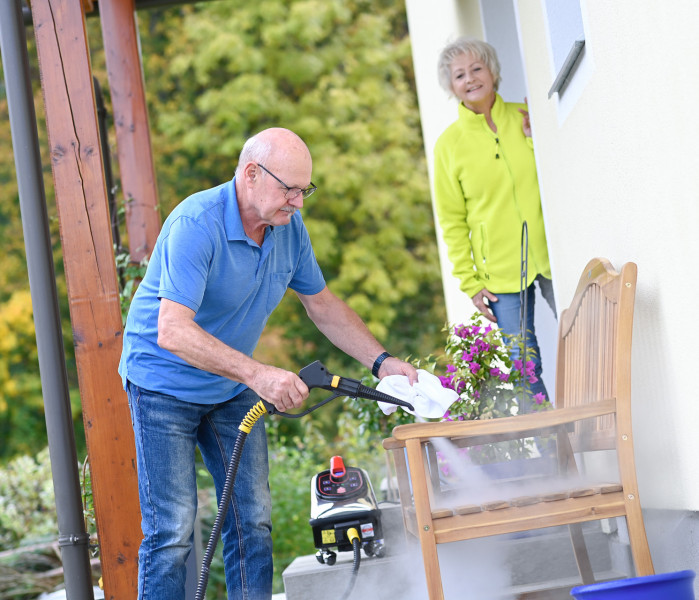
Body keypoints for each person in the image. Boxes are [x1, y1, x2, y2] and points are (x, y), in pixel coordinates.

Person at [118, 127, 417, 600]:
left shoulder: (287, 230)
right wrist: (258, 374)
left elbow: (322, 306)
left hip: (229, 386)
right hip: (162, 383)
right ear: (251, 173)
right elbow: (172, 330)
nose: (298, 202)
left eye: (305, 190)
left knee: (251, 519)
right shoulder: (197, 224)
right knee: (172, 531)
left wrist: (382, 361)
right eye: (290, 188)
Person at [433, 37, 556, 410]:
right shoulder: (448, 146)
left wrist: (539, 137)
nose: (470, 79)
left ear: (493, 71)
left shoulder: (526, 117)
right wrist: (470, 283)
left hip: (553, 255)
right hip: (500, 272)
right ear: (451, 86)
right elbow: (452, 221)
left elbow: (553, 170)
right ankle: (555, 452)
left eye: (476, 68)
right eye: (459, 75)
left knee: (584, 336)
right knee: (524, 367)